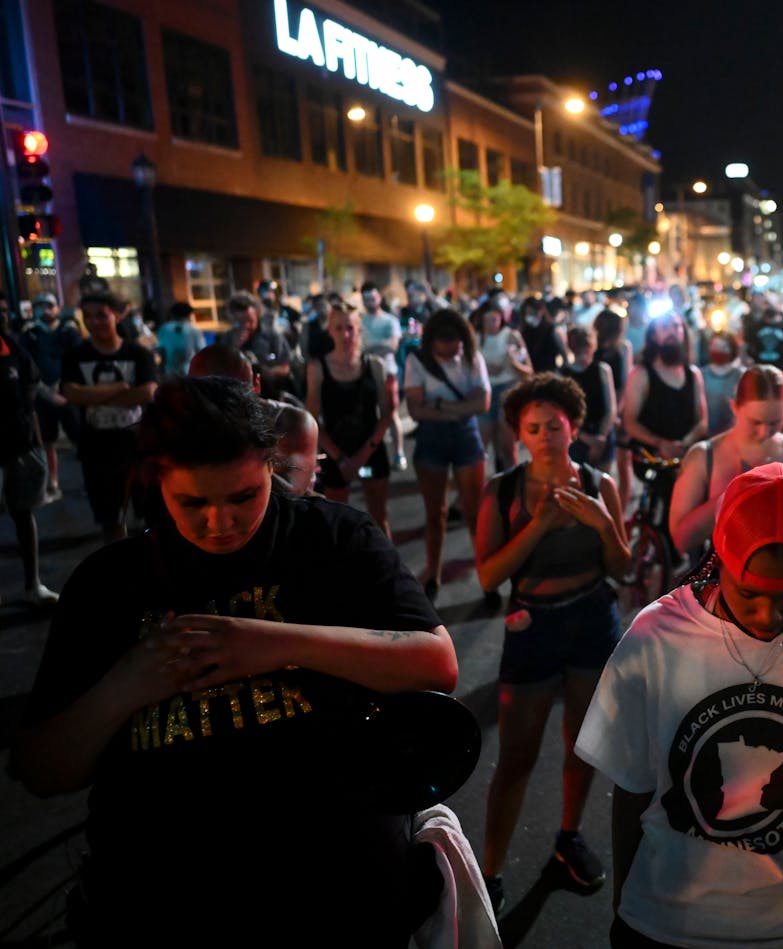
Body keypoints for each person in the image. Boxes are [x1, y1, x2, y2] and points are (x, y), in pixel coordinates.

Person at [12, 376, 458, 946]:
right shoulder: (109, 584)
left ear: (271, 465)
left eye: (244, 496)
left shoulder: (334, 539)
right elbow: (42, 769)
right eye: (192, 502)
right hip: (163, 905)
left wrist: (275, 643)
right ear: (157, 481)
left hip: (342, 894)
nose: (220, 522)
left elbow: (436, 663)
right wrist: (127, 685)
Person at [575, 463, 783, 949]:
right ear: (718, 559)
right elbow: (632, 788)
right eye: (749, 594)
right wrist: (626, 899)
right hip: (670, 920)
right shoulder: (656, 636)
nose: (769, 615)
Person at [474, 373, 631, 913]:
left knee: (582, 742)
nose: (545, 436)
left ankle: (569, 839)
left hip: (592, 618)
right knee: (516, 756)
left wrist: (606, 524)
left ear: (574, 426)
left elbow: (623, 568)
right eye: (533, 428)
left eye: (554, 426)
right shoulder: (502, 489)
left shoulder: (599, 482)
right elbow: (488, 576)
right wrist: (538, 525)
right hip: (532, 625)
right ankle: (489, 874)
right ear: (519, 434)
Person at [669, 365, 783, 557]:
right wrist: (731, 495)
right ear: (734, 408)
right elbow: (681, 540)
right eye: (755, 422)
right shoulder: (704, 456)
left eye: (775, 422)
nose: (765, 431)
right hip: (724, 580)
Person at [404, 309, 491, 602]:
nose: (451, 356)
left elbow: (483, 403)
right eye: (443, 352)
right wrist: (461, 407)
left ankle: (486, 576)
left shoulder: (472, 357)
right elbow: (416, 409)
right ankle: (434, 573)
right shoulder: (416, 360)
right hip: (432, 439)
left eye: (455, 350)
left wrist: (440, 405)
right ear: (432, 344)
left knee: (475, 512)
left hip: (465, 436)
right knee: (435, 513)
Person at [62, 291, 158, 542]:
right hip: (97, 447)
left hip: (137, 444)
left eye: (101, 316)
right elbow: (71, 394)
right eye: (88, 317)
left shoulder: (138, 354)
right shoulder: (77, 356)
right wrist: (118, 388)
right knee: (110, 519)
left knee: (149, 516)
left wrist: (91, 394)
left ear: (116, 315)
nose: (94, 322)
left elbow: (147, 393)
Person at [307, 304, 397, 536]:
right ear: (330, 331)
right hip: (337, 454)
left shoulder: (374, 365)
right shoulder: (318, 367)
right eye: (339, 328)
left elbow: (386, 414)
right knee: (338, 521)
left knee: (379, 518)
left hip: (370, 450)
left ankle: (384, 568)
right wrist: (341, 458)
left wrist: (362, 456)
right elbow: (312, 419)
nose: (345, 334)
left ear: (358, 329)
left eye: (350, 327)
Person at [190, 343, 320, 496]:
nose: (222, 406)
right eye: (209, 397)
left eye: (233, 396)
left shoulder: (291, 422)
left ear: (256, 386)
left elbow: (291, 494)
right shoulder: (187, 421)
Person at [1, 327, 59, 605]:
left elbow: (30, 401)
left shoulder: (12, 349)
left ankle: (32, 585)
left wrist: (36, 444)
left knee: (24, 514)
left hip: (19, 448)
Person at [19, 292, 82, 502]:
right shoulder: (30, 335)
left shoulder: (68, 332)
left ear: (57, 308)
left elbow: (77, 361)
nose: (45, 310)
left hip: (69, 394)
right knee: (48, 441)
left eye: (49, 305)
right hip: (43, 396)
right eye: (40, 306)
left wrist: (64, 388)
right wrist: (46, 392)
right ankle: (53, 483)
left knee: (80, 438)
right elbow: (27, 368)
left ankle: (87, 481)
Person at [622, 313, 707, 462]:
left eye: (676, 326)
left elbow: (702, 420)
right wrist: (660, 443)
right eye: (665, 327)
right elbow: (629, 422)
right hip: (653, 460)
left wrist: (682, 445)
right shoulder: (640, 375)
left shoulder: (693, 374)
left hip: (686, 459)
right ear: (654, 336)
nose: (671, 331)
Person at [476, 299, 534, 471]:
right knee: (480, 443)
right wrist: (485, 368)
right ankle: (479, 486)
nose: (491, 324)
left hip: (507, 389)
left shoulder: (510, 336)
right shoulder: (476, 338)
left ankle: (514, 484)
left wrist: (514, 363)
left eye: (495, 319)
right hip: (485, 391)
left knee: (507, 444)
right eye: (487, 320)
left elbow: (528, 370)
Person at [359, 281, 407, 468]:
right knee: (369, 416)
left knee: (390, 413)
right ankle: (370, 456)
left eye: (373, 298)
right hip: (366, 373)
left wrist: (370, 348)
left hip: (388, 373)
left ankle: (399, 452)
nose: (370, 302)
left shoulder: (390, 320)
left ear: (379, 297)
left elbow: (392, 346)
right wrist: (379, 346)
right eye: (366, 299)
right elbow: (360, 348)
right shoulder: (360, 320)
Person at [592, 307, 636, 506]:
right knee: (609, 465)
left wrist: (619, 410)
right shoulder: (597, 350)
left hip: (617, 408)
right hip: (606, 409)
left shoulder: (622, 348)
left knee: (622, 461)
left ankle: (621, 507)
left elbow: (627, 381)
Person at [562, 325, 618, 472]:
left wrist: (599, 438)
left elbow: (611, 410)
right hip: (579, 437)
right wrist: (593, 439)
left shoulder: (601, 370)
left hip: (597, 433)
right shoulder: (564, 374)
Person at [222, 293, 294, 399]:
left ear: (257, 314)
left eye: (250, 321)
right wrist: (234, 348)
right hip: (239, 398)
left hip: (270, 396)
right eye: (241, 322)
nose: (246, 326)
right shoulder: (227, 339)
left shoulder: (273, 337)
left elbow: (285, 367)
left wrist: (266, 373)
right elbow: (220, 371)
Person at [700, 329, 744, 437]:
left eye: (723, 347)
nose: (718, 351)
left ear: (732, 349)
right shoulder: (701, 374)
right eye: (715, 347)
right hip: (705, 433)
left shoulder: (740, 375)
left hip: (732, 433)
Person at [743, 295, 783, 369]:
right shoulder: (752, 328)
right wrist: (748, 364)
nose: (770, 306)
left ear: (780, 304)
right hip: (759, 370)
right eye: (766, 303)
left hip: (782, 370)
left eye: (773, 303)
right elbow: (745, 349)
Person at [155, 301, 207, 377]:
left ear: (172, 314)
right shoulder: (193, 330)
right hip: (189, 371)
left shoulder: (164, 328)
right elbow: (202, 351)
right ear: (189, 315)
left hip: (170, 372)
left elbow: (161, 350)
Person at [519, 295, 569, 374]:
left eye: (531, 312)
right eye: (527, 313)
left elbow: (564, 355)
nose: (529, 316)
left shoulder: (551, 330)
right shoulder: (524, 332)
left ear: (540, 311)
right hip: (531, 375)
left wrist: (558, 372)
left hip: (549, 374)